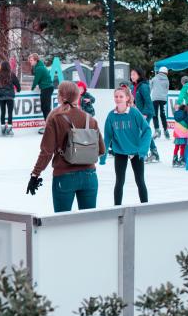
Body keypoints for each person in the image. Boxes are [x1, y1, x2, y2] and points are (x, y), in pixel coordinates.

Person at [26, 81, 105, 213]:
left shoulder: (55, 118)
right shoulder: (90, 119)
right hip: (90, 177)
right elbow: (101, 150)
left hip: (64, 177)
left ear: (61, 97)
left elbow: (46, 152)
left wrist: (35, 175)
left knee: (61, 224)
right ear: (77, 96)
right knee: (89, 223)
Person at [104, 87, 151, 205]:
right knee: (119, 181)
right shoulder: (111, 116)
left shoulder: (134, 112)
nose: (118, 99)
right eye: (116, 96)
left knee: (140, 181)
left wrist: (143, 150)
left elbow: (147, 130)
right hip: (120, 152)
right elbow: (107, 136)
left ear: (127, 98)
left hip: (136, 152)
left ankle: (145, 207)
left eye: (121, 96)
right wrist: (103, 155)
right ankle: (117, 208)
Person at [131, 67, 160, 163]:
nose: (132, 76)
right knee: (145, 132)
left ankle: (149, 153)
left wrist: (144, 114)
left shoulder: (143, 86)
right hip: (140, 112)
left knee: (144, 132)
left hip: (146, 112)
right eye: (131, 75)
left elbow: (148, 100)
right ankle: (154, 153)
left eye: (134, 74)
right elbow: (137, 99)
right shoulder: (135, 86)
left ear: (139, 75)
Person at [0, 61, 21, 136]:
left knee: (3, 111)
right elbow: (17, 84)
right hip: (9, 96)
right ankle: (9, 128)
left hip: (1, 95)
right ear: (8, 66)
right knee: (10, 112)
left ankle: (2, 128)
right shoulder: (11, 74)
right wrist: (18, 89)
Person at [28, 53, 54, 135]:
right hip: (47, 88)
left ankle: (49, 127)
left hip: (46, 88)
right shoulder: (40, 66)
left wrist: (32, 88)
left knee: (45, 108)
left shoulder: (39, 68)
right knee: (46, 108)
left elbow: (36, 80)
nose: (30, 62)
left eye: (31, 60)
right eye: (30, 60)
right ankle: (49, 126)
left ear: (36, 60)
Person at [150, 66, 170, 139]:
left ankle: (157, 130)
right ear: (166, 73)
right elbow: (167, 89)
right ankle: (166, 130)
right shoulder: (167, 80)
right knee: (163, 115)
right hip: (163, 99)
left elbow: (150, 87)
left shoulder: (154, 78)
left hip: (155, 98)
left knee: (154, 114)